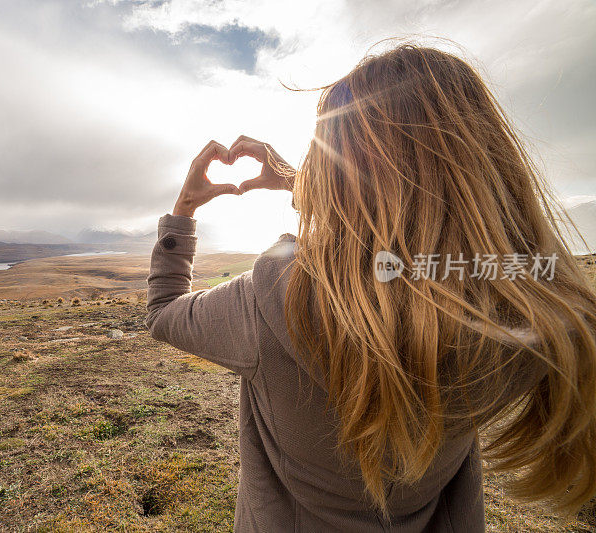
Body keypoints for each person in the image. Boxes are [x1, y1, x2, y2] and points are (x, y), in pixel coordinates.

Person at [145, 44, 596, 532]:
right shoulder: (531, 315)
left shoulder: (273, 299)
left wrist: (183, 211)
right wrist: (299, 182)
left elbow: (164, 312)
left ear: (336, 170)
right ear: (489, 165)